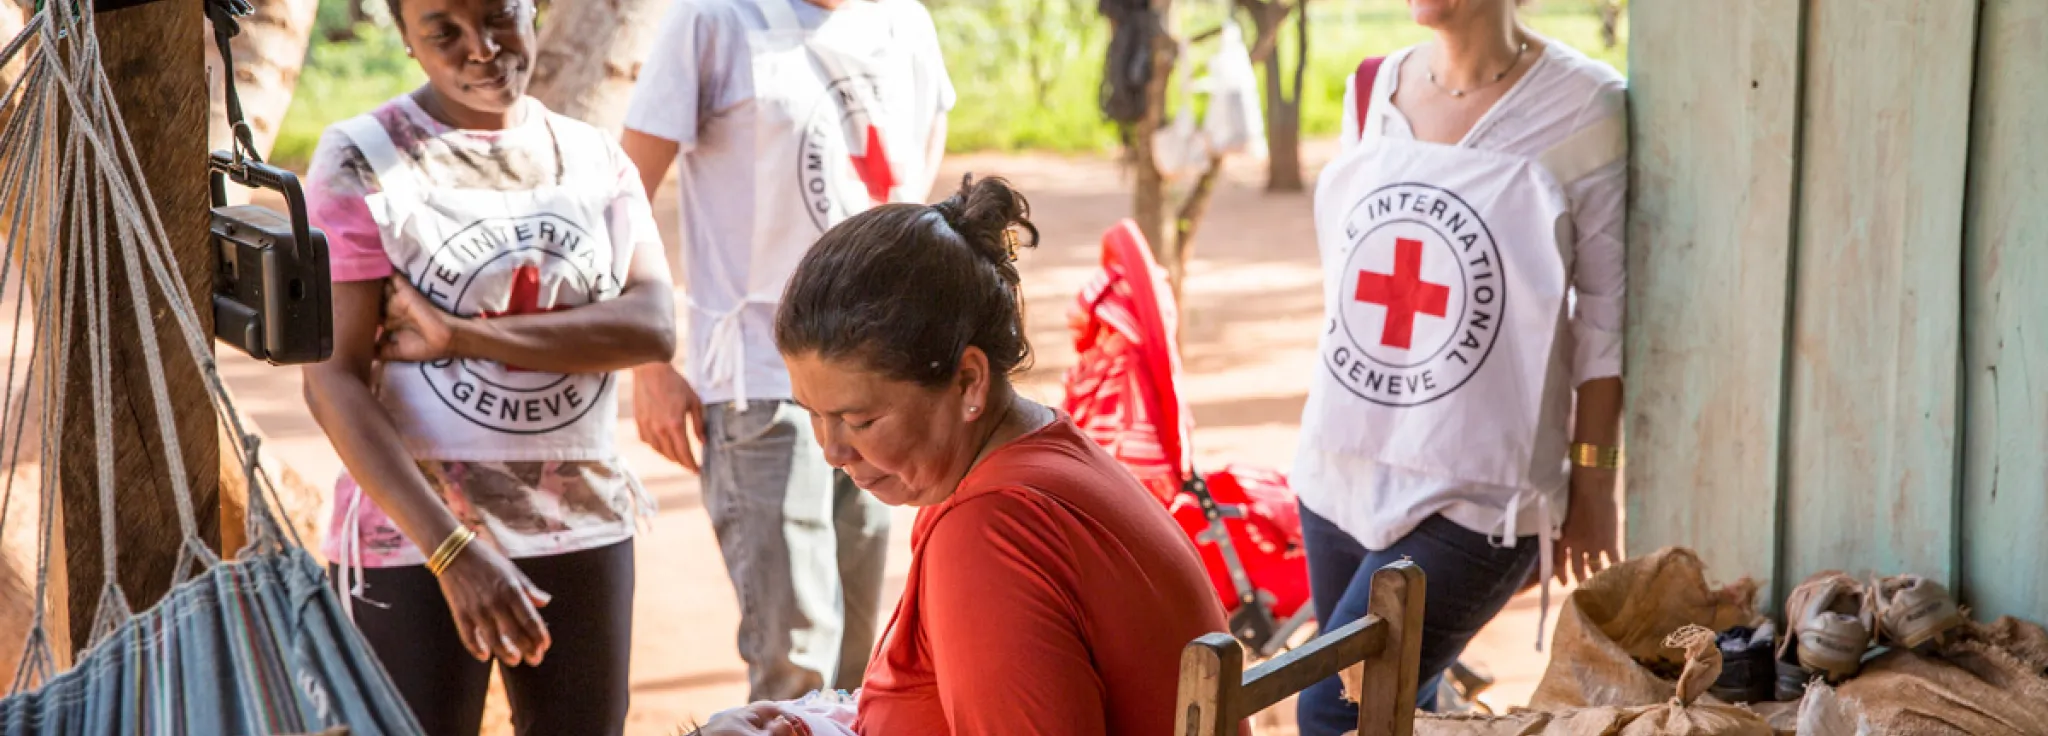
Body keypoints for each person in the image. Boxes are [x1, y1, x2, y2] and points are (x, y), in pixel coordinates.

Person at [687, 177, 1238, 736]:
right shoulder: (1032, 458)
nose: (832, 451)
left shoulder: (990, 531)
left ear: (969, 381)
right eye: (812, 413)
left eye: (860, 420)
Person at [299, 0, 675, 732]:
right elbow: (330, 380)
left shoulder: (593, 157)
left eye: (501, 17)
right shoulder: (364, 159)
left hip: (582, 522)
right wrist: (450, 551)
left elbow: (653, 327)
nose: (482, 49)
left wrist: (464, 338)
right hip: (413, 535)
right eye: (443, 31)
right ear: (406, 40)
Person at [1291, 0, 1627, 731]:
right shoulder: (1370, 88)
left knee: (1334, 710)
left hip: (1480, 497)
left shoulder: (1586, 107)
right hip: (1340, 470)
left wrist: (1595, 482)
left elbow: (1602, 316)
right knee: (1400, 708)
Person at [617, 0, 957, 703]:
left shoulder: (904, 24)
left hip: (880, 384)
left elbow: (915, 183)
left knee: (864, 657)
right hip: (758, 380)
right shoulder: (714, 21)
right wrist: (649, 361)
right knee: (794, 652)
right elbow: (624, 193)